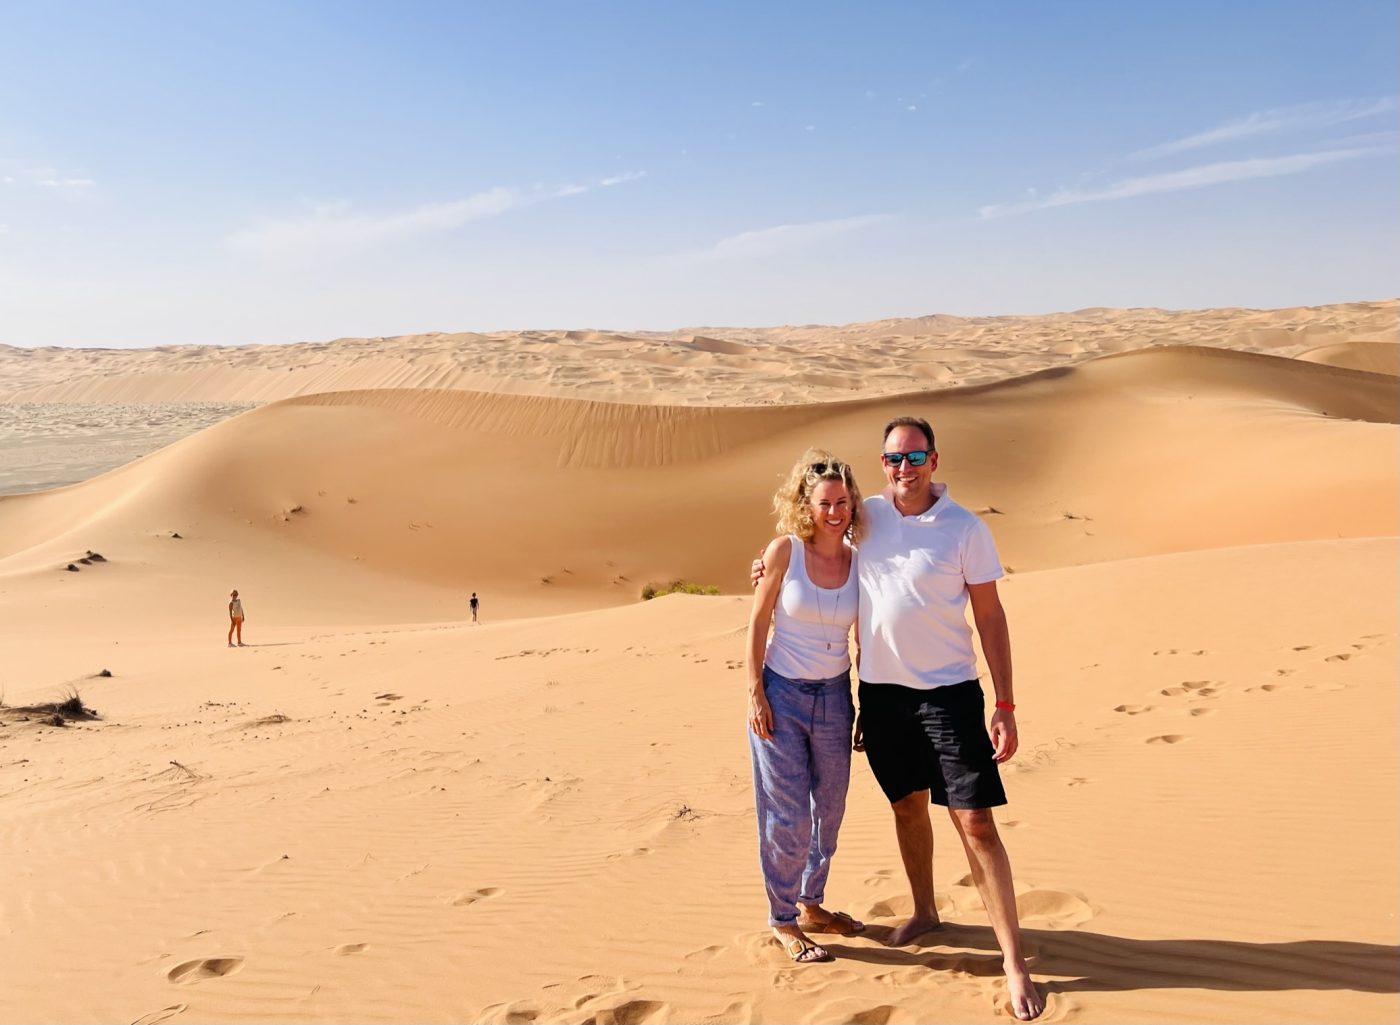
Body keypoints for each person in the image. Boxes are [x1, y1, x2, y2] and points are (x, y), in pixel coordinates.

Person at [753, 417, 1044, 1020]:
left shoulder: (965, 529)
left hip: (949, 696)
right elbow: (814, 539)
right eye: (892, 459)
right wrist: (763, 569)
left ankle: (1014, 963)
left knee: (976, 825)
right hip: (881, 698)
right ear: (882, 465)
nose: (903, 469)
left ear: (935, 460)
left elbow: (991, 617)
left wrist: (1006, 704)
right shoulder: (869, 518)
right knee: (906, 807)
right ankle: (925, 911)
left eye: (914, 458)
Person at [746, 450, 868, 964]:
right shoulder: (784, 552)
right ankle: (782, 918)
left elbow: (867, 638)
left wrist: (868, 703)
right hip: (782, 695)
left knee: (831, 812)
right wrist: (755, 689)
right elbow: (757, 621)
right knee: (789, 814)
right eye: (824, 503)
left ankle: (812, 903)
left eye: (843, 502)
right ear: (806, 504)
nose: (834, 511)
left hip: (836, 697)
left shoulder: (863, 561)